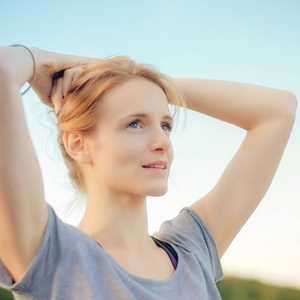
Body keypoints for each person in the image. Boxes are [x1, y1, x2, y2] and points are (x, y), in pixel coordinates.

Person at [0, 46, 224, 299]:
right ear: (77, 144)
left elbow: (276, 112)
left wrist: (130, 78)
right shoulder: (52, 256)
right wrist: (46, 61)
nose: (162, 141)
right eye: (135, 124)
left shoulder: (192, 251)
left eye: (165, 125)